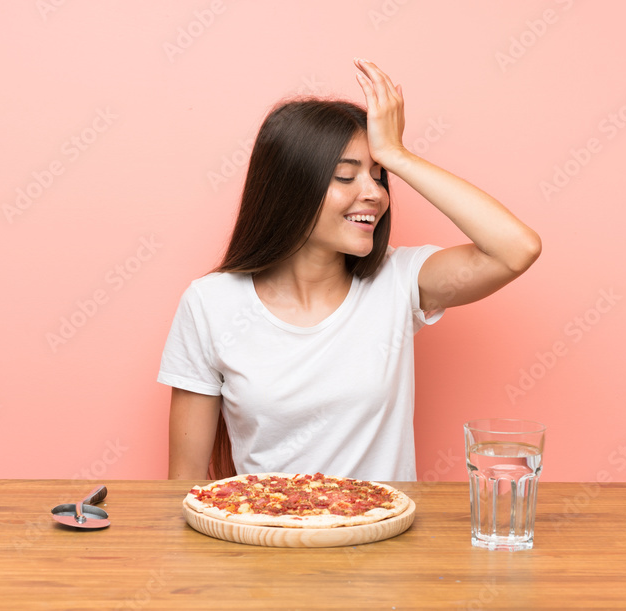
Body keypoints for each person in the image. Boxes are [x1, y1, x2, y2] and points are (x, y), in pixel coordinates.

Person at [160, 58, 541, 482]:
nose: (374, 193)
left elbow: (515, 249)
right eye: (346, 176)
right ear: (290, 188)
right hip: (266, 539)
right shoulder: (210, 303)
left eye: (380, 176)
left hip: (383, 542)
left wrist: (398, 155)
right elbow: (185, 484)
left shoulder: (399, 282)